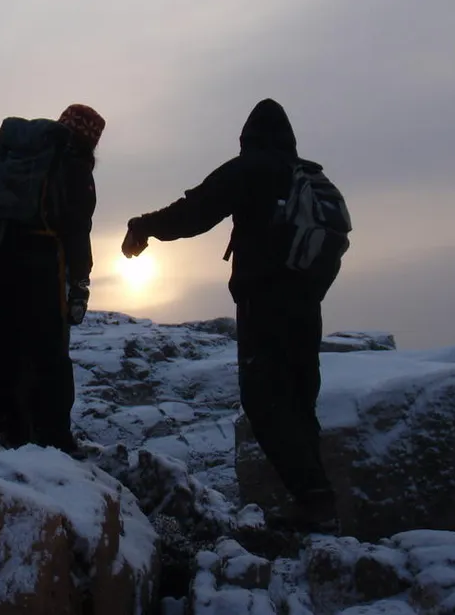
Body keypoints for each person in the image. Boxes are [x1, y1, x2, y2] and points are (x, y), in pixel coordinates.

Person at [121, 98, 342, 531]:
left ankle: (314, 502)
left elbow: (196, 211)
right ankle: (318, 506)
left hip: (265, 303)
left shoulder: (251, 168)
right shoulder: (307, 176)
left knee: (263, 400)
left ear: (248, 139)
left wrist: (144, 225)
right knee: (299, 403)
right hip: (307, 305)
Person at [0, 104, 104, 454]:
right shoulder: (73, 167)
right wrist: (80, 284)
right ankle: (53, 442)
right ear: (90, 141)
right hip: (39, 262)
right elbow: (77, 230)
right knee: (49, 355)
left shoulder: (10, 157)